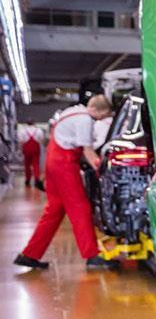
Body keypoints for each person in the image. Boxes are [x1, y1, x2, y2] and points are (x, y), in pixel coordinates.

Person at [14, 95, 116, 270]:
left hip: (53, 161)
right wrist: (103, 170)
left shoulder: (72, 111)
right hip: (64, 164)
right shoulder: (85, 120)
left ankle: (29, 254)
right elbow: (88, 152)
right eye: (103, 115)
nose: (102, 119)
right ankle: (92, 255)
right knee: (80, 207)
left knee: (54, 210)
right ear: (97, 110)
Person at [18, 123, 43, 188]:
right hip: (35, 149)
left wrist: (20, 150)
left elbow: (21, 141)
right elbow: (41, 140)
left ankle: (28, 180)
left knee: (27, 165)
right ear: (33, 123)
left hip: (27, 149)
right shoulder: (38, 130)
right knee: (36, 164)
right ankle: (37, 179)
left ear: (27, 124)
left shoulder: (23, 131)